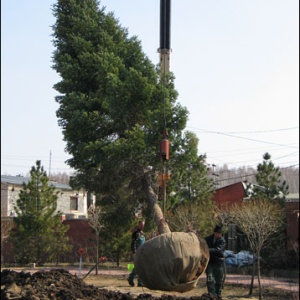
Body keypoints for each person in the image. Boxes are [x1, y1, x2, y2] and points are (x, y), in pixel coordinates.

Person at [205, 225, 226, 300]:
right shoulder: (208, 239)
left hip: (218, 262)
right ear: (214, 232)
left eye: (219, 233)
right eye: (217, 233)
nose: (218, 235)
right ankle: (212, 294)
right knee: (210, 279)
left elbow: (218, 250)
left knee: (219, 280)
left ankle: (218, 293)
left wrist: (208, 250)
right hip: (210, 262)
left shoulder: (222, 241)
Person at [127, 220, 146, 287]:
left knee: (141, 267)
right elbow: (133, 243)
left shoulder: (142, 233)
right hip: (137, 253)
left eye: (143, 225)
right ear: (138, 225)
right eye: (141, 225)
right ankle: (131, 278)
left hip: (142, 253)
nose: (142, 226)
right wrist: (134, 252)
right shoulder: (135, 233)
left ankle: (139, 282)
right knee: (137, 267)